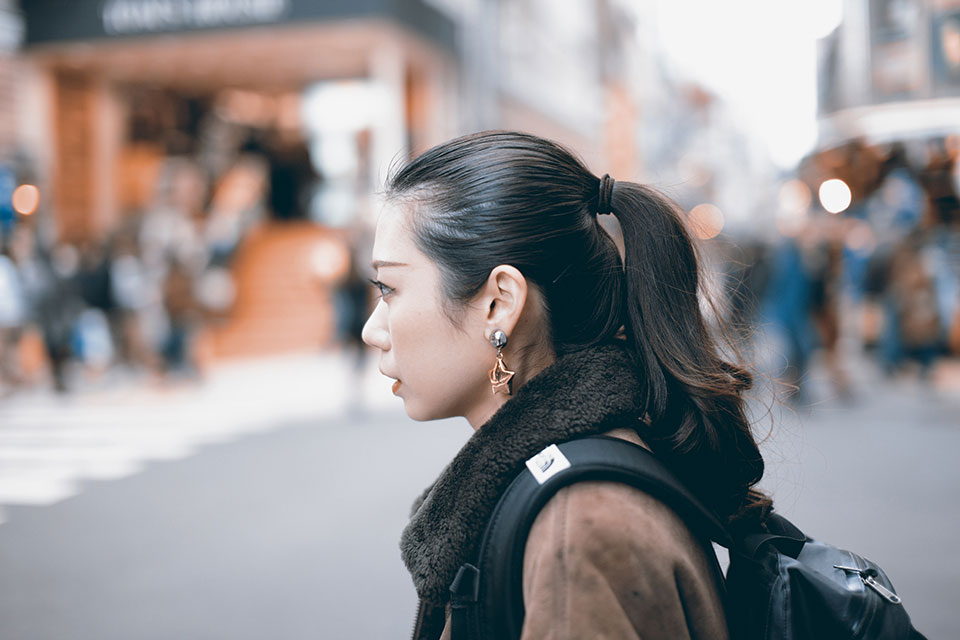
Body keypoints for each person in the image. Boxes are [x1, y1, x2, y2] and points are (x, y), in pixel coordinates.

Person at [361, 131, 769, 640]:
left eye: (389, 289)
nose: (372, 330)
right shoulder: (578, 485)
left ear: (499, 303)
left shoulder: (581, 525)